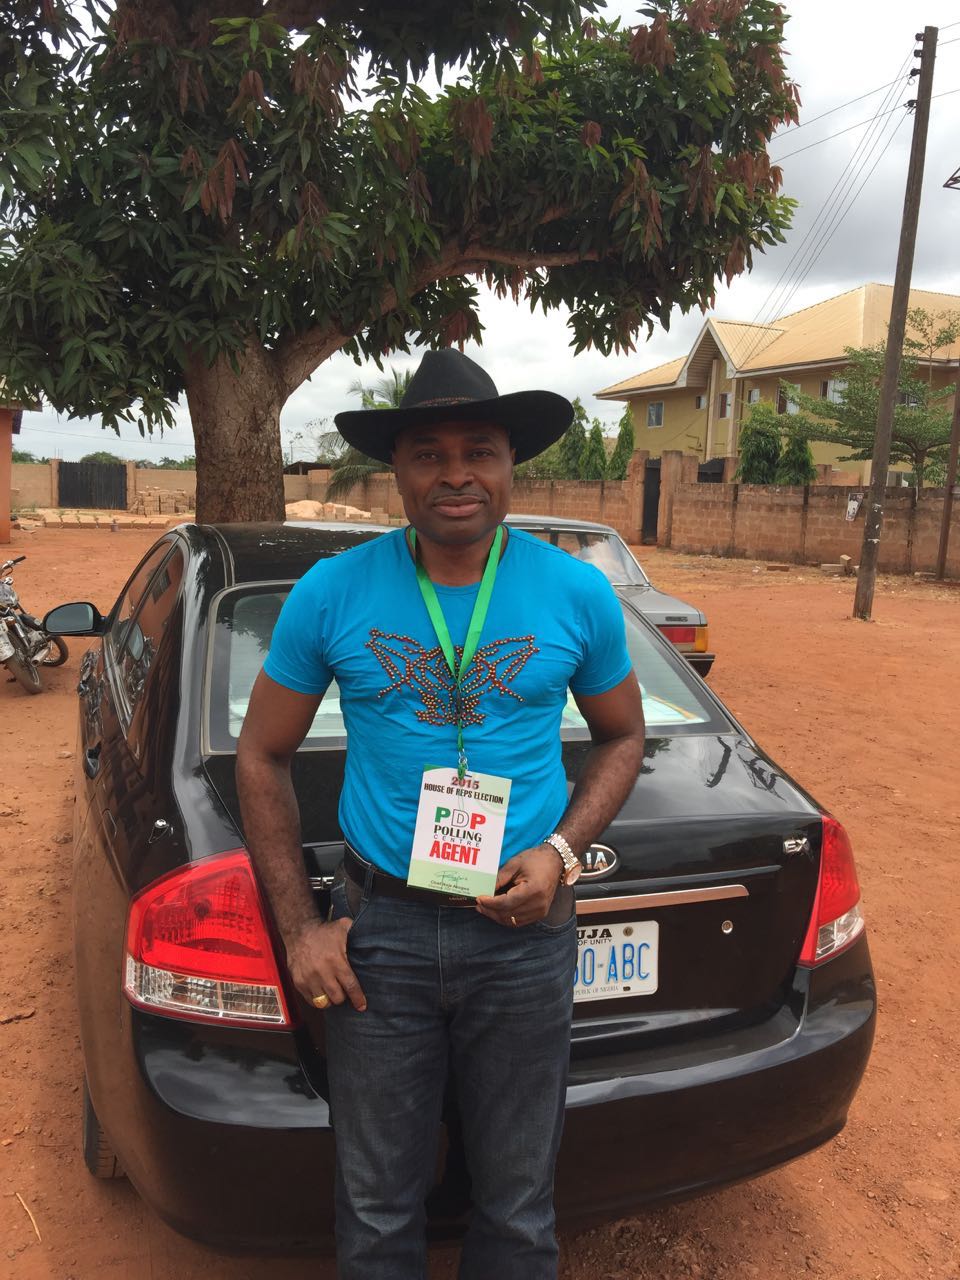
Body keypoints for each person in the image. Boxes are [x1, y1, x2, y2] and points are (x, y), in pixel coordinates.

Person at [236, 348, 645, 1280]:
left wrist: (562, 852)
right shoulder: (333, 591)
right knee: (377, 1206)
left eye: (479, 451)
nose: (456, 473)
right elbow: (260, 753)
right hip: (378, 939)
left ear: (511, 464)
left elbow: (623, 736)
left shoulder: (576, 591)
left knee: (518, 1206)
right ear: (398, 470)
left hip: (524, 935)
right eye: (429, 453)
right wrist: (300, 928)